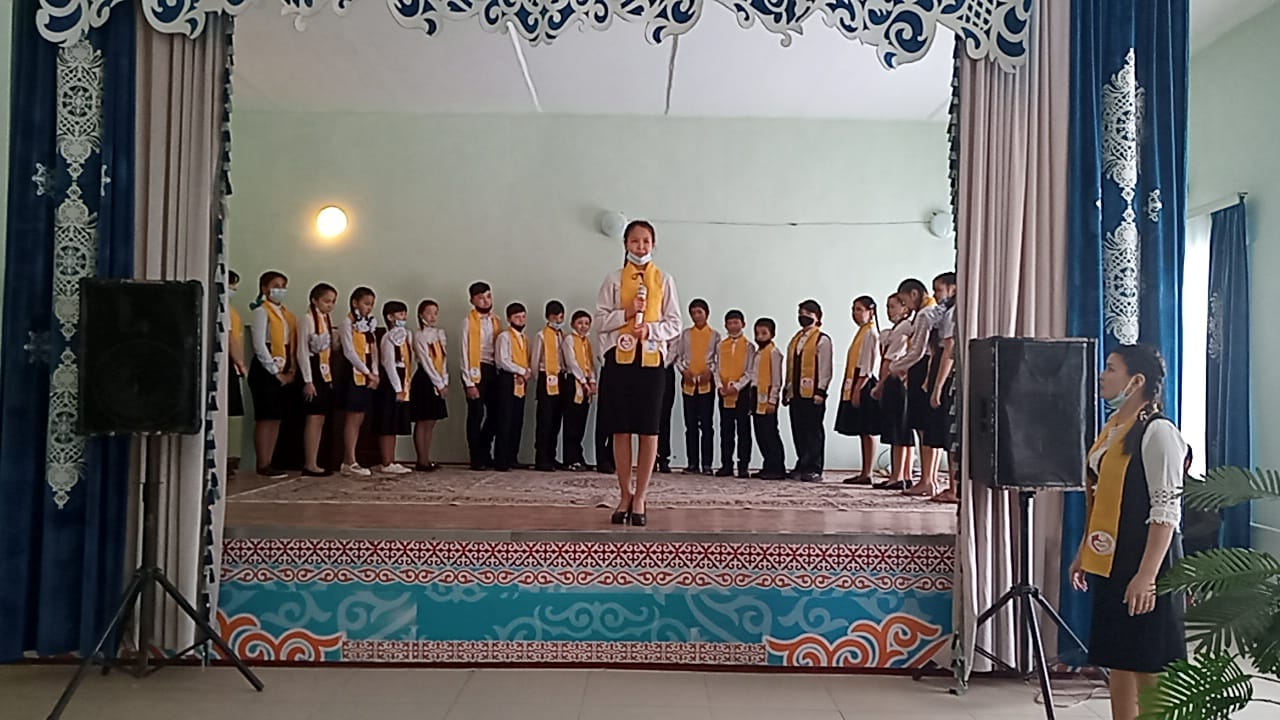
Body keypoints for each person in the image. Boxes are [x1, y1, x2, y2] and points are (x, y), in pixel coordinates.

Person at [1070, 344, 1187, 720]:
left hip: (1147, 559)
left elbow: (1166, 512)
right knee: (1120, 656)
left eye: (1110, 368)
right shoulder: (1114, 429)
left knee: (1148, 658)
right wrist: (1084, 551)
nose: (1102, 376)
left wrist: (1147, 576)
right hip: (1114, 558)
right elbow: (1100, 495)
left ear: (1136, 381)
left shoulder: (1158, 432)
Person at [594, 220, 682, 527]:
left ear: (653, 245)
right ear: (625, 245)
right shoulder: (614, 279)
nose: (640, 247)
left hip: (651, 363)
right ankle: (624, 493)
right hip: (619, 362)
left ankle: (641, 495)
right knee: (620, 429)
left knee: (648, 430)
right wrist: (627, 313)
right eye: (634, 241)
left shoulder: (664, 279)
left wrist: (651, 330)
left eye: (646, 241)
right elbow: (599, 321)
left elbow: (674, 323)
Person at [889, 278, 943, 497]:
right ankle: (930, 479)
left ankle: (926, 480)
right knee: (929, 430)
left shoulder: (924, 314)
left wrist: (895, 366)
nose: (907, 306)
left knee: (923, 428)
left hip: (921, 369)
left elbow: (917, 350)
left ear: (914, 294)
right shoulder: (934, 310)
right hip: (929, 367)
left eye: (905, 301)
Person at [247, 271, 297, 479]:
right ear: (265, 288)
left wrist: (290, 369)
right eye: (276, 285)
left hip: (283, 362)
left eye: (283, 286)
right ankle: (262, 462)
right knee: (265, 417)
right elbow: (259, 345)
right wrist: (275, 372)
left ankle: (271, 459)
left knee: (276, 417)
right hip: (265, 368)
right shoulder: (261, 311)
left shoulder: (286, 314)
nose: (280, 290)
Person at [783, 299, 833, 482]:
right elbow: (790, 366)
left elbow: (825, 367)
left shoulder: (822, 339)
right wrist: (787, 390)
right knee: (798, 429)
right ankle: (802, 463)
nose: (803, 317)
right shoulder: (795, 339)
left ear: (817, 317)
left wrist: (821, 390)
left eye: (808, 314)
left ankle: (814, 467)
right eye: (801, 313)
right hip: (796, 392)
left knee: (813, 431)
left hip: (813, 394)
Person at [835, 295, 882, 485]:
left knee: (868, 429)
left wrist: (858, 389)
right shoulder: (861, 332)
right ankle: (864, 472)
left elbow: (867, 366)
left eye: (859, 309)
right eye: (853, 309)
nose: (855, 313)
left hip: (864, 383)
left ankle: (868, 471)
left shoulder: (871, 333)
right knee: (862, 429)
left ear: (871, 311)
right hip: (856, 382)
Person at [871, 293, 913, 491]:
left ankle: (898, 476)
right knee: (901, 429)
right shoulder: (896, 330)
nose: (889, 311)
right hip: (897, 381)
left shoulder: (903, 329)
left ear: (905, 308)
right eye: (887, 307)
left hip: (896, 381)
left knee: (898, 430)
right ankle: (904, 474)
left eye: (893, 306)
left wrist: (880, 385)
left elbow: (889, 361)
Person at [297, 282, 338, 477]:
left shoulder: (326, 319)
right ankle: (310, 463)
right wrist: (308, 380)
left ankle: (316, 460)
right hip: (311, 371)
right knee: (313, 417)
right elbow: (302, 351)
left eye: (333, 302)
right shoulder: (307, 319)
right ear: (315, 300)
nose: (330, 305)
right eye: (326, 301)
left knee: (321, 417)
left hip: (324, 370)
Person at [675, 298, 719, 475]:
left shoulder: (715, 335)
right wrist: (683, 371)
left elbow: (717, 359)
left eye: (699, 312)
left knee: (707, 425)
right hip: (689, 384)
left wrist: (710, 371)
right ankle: (692, 463)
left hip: (706, 384)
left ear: (707, 314)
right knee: (690, 425)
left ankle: (707, 464)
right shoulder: (685, 335)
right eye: (693, 313)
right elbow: (678, 357)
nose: (696, 316)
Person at [339, 286, 379, 477]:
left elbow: (373, 350)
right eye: (366, 303)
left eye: (371, 304)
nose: (369, 308)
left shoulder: (369, 324)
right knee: (352, 418)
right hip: (353, 373)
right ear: (355, 303)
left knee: (361, 418)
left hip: (367, 375)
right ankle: (349, 460)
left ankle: (354, 458)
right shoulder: (347, 322)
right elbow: (349, 351)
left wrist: (375, 372)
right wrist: (367, 372)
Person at [461, 281, 501, 471]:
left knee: (496, 413)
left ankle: (485, 451)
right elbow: (464, 351)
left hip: (492, 369)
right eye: (480, 297)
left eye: (488, 296)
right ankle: (475, 456)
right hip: (474, 370)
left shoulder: (496, 320)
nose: (485, 300)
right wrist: (468, 382)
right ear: (472, 300)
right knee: (476, 414)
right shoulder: (468, 321)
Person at [926, 274, 959, 504]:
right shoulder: (956, 312)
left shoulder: (952, 314)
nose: (936, 295)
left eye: (938, 290)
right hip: (956, 375)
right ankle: (954, 487)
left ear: (953, 289)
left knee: (951, 434)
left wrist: (937, 387)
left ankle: (954, 488)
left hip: (951, 378)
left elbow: (949, 351)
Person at [374, 301, 414, 475]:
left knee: (394, 423)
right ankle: (386, 461)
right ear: (390, 317)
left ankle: (392, 459)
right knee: (387, 423)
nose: (403, 317)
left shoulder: (405, 336)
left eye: (405, 314)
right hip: (391, 383)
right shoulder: (387, 338)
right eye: (400, 314)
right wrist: (397, 388)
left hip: (403, 379)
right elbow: (389, 364)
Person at [410, 299, 449, 472]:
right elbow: (426, 361)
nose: (432, 317)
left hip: (438, 378)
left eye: (435, 313)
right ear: (421, 315)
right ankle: (421, 459)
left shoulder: (439, 334)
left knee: (431, 421)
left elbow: (443, 359)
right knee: (423, 420)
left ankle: (427, 457)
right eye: (429, 313)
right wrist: (438, 383)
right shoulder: (419, 335)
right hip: (425, 380)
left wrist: (444, 380)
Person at [715, 309, 755, 479]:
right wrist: (720, 386)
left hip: (742, 393)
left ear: (743, 324)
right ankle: (726, 464)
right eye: (729, 323)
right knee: (726, 430)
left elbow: (750, 371)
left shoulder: (749, 346)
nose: (733, 326)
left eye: (736, 322)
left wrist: (737, 387)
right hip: (724, 393)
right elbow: (716, 368)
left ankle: (743, 465)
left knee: (743, 430)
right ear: (725, 325)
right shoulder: (720, 345)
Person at [493, 302, 532, 472]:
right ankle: (501, 459)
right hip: (507, 380)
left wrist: (525, 372)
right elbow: (502, 360)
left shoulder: (524, 338)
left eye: (523, 316)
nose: (521, 320)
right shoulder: (504, 336)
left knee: (517, 419)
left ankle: (512, 457)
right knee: (505, 419)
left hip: (520, 381)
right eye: (517, 317)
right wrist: (522, 370)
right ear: (509, 319)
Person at [531, 300, 569, 472]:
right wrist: (540, 380)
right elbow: (534, 361)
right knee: (545, 419)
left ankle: (552, 456)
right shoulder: (541, 335)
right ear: (547, 317)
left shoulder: (563, 336)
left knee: (556, 419)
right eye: (555, 317)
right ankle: (541, 458)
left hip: (560, 378)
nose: (558, 321)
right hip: (545, 377)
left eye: (560, 317)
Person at [749, 318, 786, 480]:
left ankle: (777, 467)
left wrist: (773, 400)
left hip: (768, 397)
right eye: (757, 333)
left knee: (770, 432)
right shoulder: (757, 353)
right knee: (760, 433)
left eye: (764, 333)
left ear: (772, 334)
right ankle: (767, 465)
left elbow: (777, 379)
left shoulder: (774, 353)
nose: (760, 337)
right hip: (756, 395)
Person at [561, 310, 597, 472]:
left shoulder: (586, 342)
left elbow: (589, 363)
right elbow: (572, 363)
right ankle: (570, 459)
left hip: (586, 384)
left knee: (581, 423)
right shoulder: (569, 339)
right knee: (572, 423)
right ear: (573, 324)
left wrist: (593, 381)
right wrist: (583, 381)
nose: (583, 326)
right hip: (574, 383)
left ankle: (578, 456)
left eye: (587, 323)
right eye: (580, 323)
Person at [226, 270, 247, 422]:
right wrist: (240, 364)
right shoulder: (223, 308)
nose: (234, 288)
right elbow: (230, 338)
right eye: (231, 284)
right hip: (227, 360)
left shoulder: (231, 310)